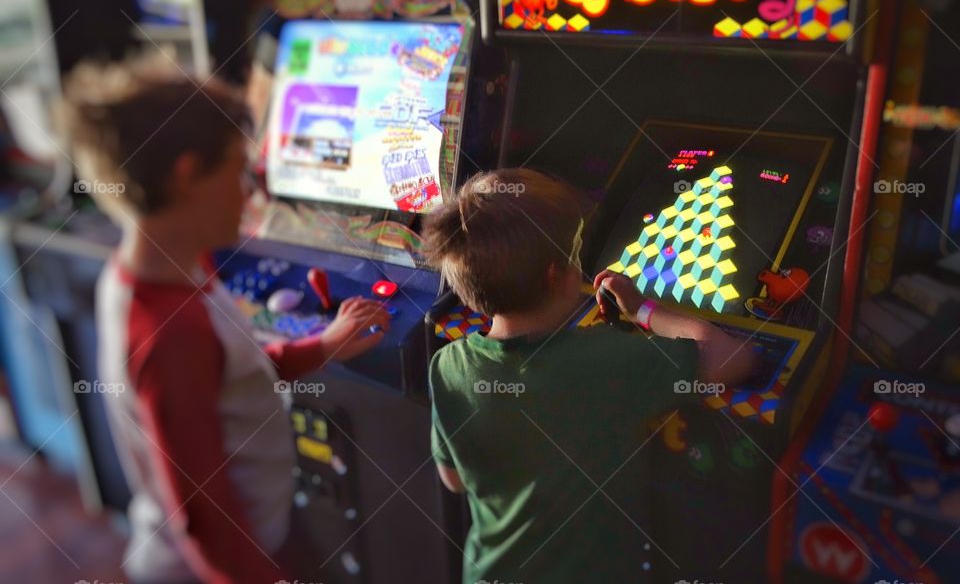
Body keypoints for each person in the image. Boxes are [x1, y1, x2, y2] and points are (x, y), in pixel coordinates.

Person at [63, 57, 389, 583]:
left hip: (254, 536)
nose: (251, 193)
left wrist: (320, 347)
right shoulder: (169, 331)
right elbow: (204, 517)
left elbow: (231, 377)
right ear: (188, 175)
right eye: (238, 168)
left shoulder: (166, 267)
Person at [422, 168, 756, 583]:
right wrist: (643, 310)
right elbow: (734, 357)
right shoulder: (607, 361)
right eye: (575, 254)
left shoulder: (449, 364)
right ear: (553, 275)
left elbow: (453, 480)